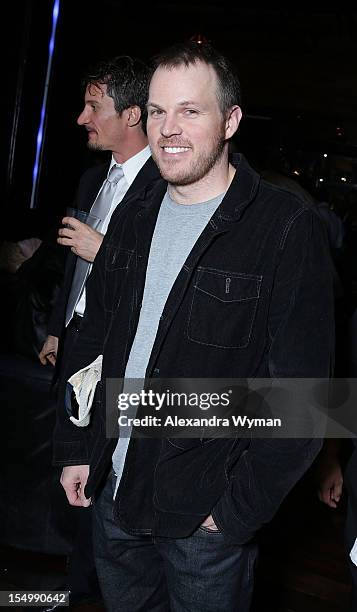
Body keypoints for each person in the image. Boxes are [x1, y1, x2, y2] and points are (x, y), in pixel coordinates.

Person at [55, 41, 334, 611]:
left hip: (202, 521)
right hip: (113, 494)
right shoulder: (134, 210)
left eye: (190, 110)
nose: (169, 129)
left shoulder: (285, 229)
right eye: (158, 111)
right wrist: (76, 446)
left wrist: (232, 515)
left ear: (230, 120)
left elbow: (305, 401)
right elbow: (93, 333)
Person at [38, 55, 160, 608]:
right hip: (78, 346)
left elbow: (169, 280)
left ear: (131, 114)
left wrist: (103, 251)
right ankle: (74, 583)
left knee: (105, 486)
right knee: (70, 477)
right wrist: (62, 327)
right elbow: (73, 267)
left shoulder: (164, 186)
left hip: (122, 361)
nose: (82, 117)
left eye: (95, 106)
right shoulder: (96, 177)